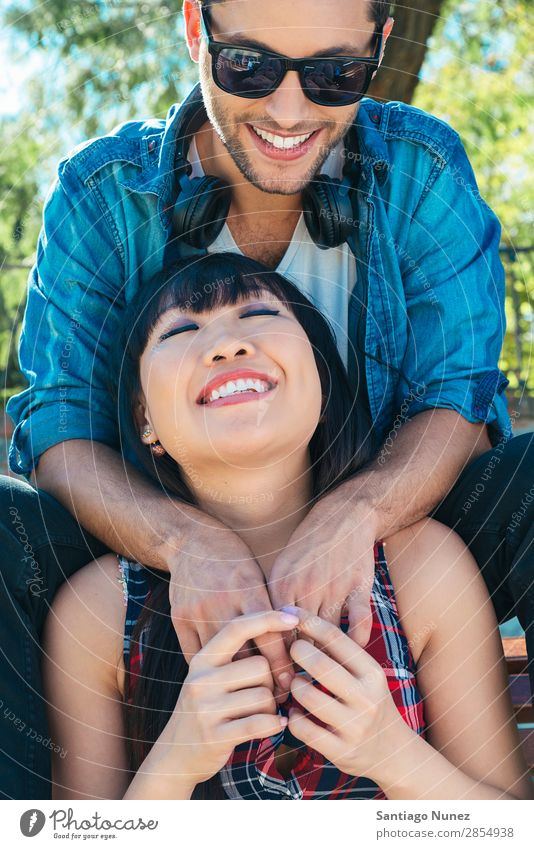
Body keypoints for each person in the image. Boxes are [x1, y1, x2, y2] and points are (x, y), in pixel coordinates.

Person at [1, 0, 532, 799]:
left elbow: (455, 397)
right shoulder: (103, 192)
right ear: (195, 32)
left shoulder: (418, 169)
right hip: (140, 556)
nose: (289, 110)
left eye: (334, 75)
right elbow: (59, 426)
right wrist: (185, 544)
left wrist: (351, 520)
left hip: (405, 529)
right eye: (247, 65)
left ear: (378, 47)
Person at [43, 254, 531, 800]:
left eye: (258, 315)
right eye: (181, 329)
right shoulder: (99, 612)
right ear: (144, 421)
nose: (228, 345)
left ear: (322, 382)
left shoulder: (423, 569)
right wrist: (173, 767)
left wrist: (395, 757)